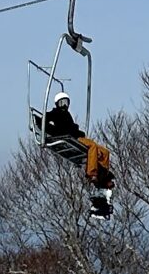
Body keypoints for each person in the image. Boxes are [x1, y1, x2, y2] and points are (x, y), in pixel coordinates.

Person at [36, 89, 116, 220]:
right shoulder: (55, 113)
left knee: (105, 152)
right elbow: (44, 120)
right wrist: (49, 129)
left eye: (66, 102)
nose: (64, 105)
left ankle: (104, 175)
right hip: (71, 137)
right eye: (61, 102)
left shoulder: (67, 114)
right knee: (92, 147)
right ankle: (92, 173)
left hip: (76, 135)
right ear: (57, 103)